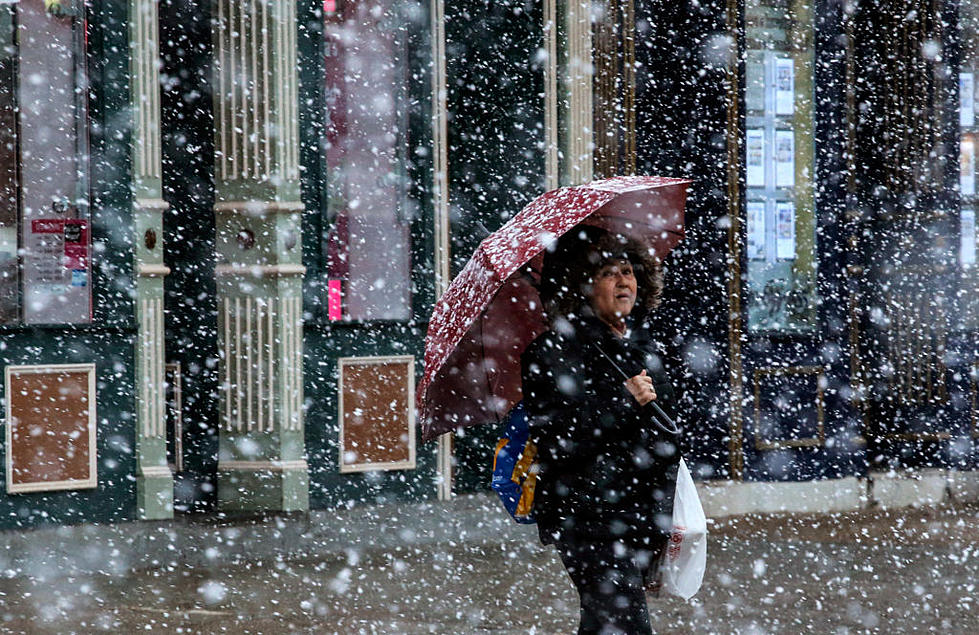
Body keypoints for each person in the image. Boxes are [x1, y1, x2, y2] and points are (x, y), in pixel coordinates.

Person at [521, 227, 680, 634]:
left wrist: (661, 522)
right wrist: (622, 401)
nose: (624, 281)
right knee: (626, 626)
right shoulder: (553, 351)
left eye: (628, 271)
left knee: (603, 625)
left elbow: (662, 436)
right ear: (582, 286)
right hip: (586, 516)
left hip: (637, 516)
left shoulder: (642, 347)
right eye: (609, 273)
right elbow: (558, 441)